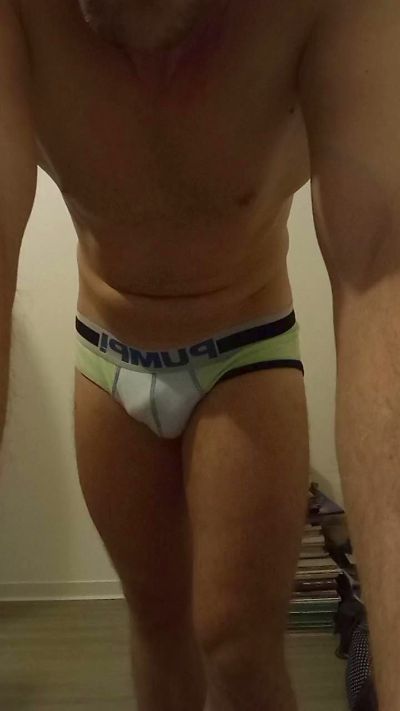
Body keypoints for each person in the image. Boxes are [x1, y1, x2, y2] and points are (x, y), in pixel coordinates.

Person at [0, 1, 399, 709]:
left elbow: (382, 265)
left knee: (238, 645)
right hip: (107, 354)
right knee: (156, 630)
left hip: (243, 351)